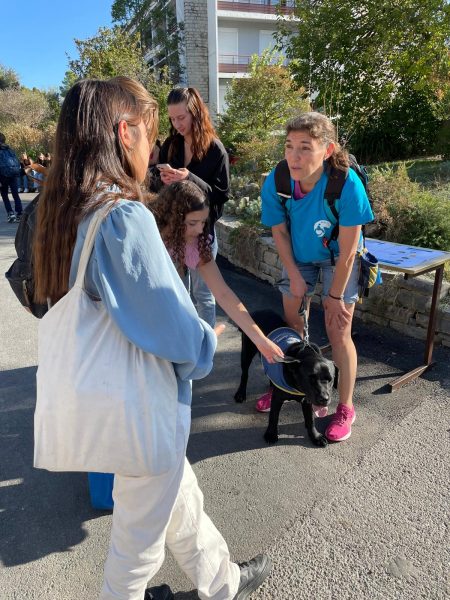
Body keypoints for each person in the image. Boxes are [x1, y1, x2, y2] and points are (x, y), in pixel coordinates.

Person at [33, 76, 272, 600]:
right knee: (135, 551)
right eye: (149, 132)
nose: (153, 145)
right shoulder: (121, 216)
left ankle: (224, 581)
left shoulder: (65, 211)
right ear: (125, 132)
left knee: (180, 501)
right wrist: (206, 342)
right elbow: (172, 328)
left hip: (113, 405)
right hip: (142, 409)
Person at [259, 112, 374, 443]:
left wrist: (334, 296)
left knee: (339, 331)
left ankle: (345, 407)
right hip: (300, 255)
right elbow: (279, 231)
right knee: (293, 329)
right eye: (289, 146)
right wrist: (294, 275)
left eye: (305, 147)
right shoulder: (279, 179)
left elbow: (351, 248)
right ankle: (284, 384)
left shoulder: (345, 182)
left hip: (340, 257)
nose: (294, 156)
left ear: (327, 149)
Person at [150, 180, 285, 364]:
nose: (199, 229)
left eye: (203, 222)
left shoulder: (195, 243)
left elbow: (223, 293)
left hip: (170, 325)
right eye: (192, 222)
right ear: (173, 217)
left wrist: (260, 339)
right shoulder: (146, 232)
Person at [154, 87, 229, 328]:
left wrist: (189, 178)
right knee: (178, 292)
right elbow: (160, 192)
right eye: (172, 118)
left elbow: (221, 195)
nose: (177, 124)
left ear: (196, 113)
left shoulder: (215, 149)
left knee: (204, 297)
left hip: (201, 233)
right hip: (174, 231)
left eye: (181, 117)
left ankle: (206, 353)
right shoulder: (171, 145)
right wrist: (164, 180)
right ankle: (184, 345)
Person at [0, 132, 23, 223]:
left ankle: (11, 213)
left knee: (4, 195)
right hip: (13, 174)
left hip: (2, 176)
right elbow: (16, 161)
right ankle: (20, 213)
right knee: (15, 194)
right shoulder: (10, 149)